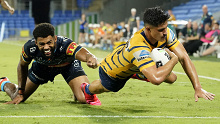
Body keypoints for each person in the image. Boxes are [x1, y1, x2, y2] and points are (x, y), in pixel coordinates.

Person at [80, 7, 215, 104]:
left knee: (172, 78)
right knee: (105, 88)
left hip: (137, 63)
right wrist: (173, 59)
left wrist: (197, 87)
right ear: (148, 29)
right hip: (115, 70)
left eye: (165, 28)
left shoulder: (165, 32)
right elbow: (156, 79)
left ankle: (139, 71)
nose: (165, 33)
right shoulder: (138, 44)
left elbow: (184, 56)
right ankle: (86, 89)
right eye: (161, 30)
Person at [0, 23, 101, 105]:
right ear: (36, 42)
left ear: (55, 39)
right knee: (16, 96)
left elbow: (84, 53)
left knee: (84, 99)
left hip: (67, 66)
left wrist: (91, 58)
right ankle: (3, 82)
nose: (46, 47)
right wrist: (21, 92)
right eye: (42, 44)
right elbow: (22, 65)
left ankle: (76, 90)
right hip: (42, 68)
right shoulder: (29, 48)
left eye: (49, 42)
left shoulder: (66, 44)